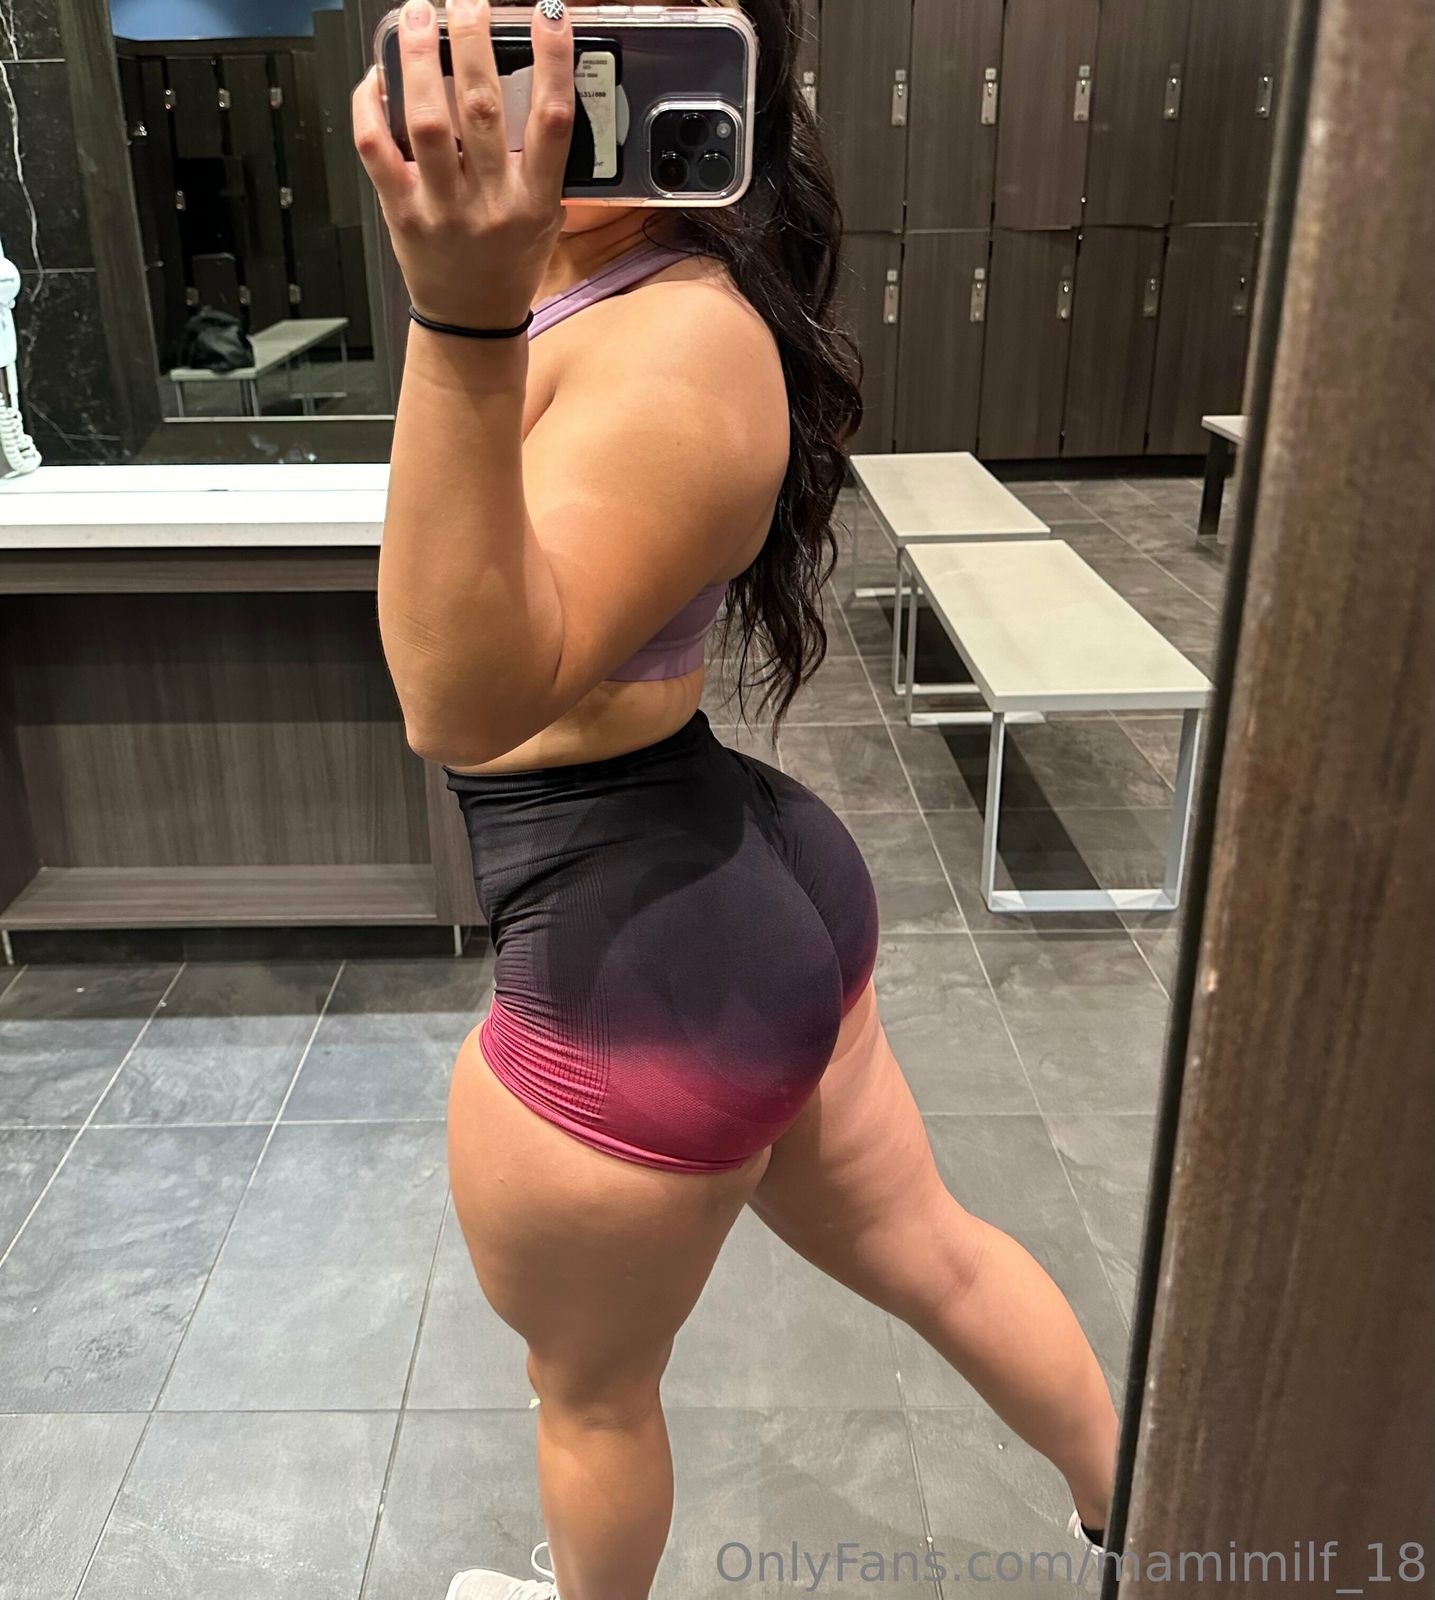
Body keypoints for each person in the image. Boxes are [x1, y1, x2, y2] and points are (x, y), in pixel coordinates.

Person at [352, 3, 1118, 1596]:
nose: (553, 81)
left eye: (608, 46)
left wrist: (456, 321)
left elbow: (459, 701)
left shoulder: (680, 339)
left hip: (644, 964)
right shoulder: (568, 274)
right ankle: (1161, 1527)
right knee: (932, 1252)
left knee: (592, 1397)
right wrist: (481, 291)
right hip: (726, 889)